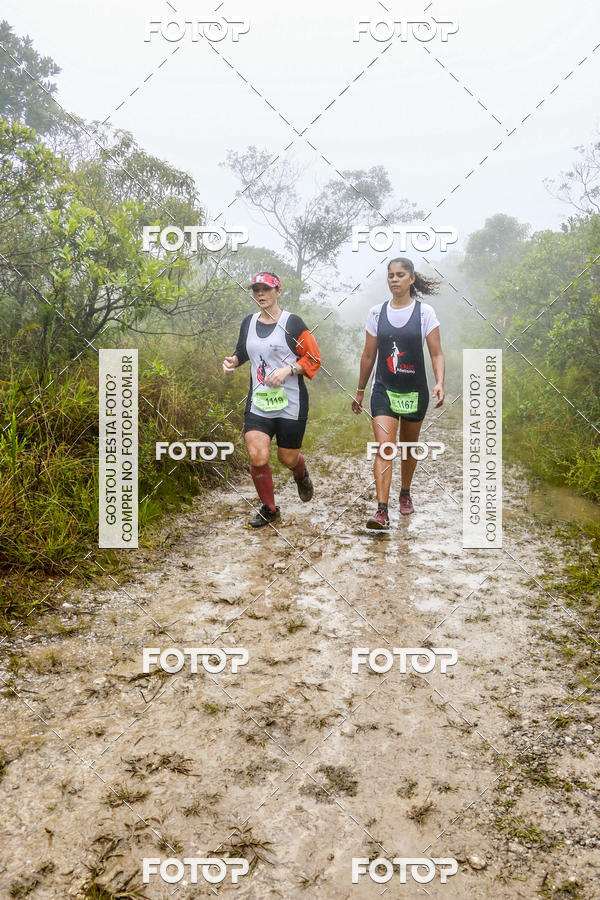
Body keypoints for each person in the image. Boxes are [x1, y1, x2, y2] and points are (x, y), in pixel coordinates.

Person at [352, 257, 445, 529]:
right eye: (391, 275)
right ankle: (382, 511)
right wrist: (359, 390)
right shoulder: (376, 313)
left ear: (412, 278)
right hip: (384, 389)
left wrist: (439, 382)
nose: (394, 279)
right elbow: (368, 355)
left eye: (400, 275)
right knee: (385, 447)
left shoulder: (425, 313)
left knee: (408, 447)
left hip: (415, 390)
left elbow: (437, 354)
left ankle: (405, 492)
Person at [223, 272, 321, 528]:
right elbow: (243, 350)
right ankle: (269, 508)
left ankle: (300, 474)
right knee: (258, 455)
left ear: (278, 291)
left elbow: (313, 359)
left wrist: (289, 369)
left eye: (266, 289)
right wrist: (233, 361)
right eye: (256, 290)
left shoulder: (293, 323)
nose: (260, 294)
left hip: (291, 402)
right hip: (259, 401)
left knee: (287, 458)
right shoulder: (249, 322)